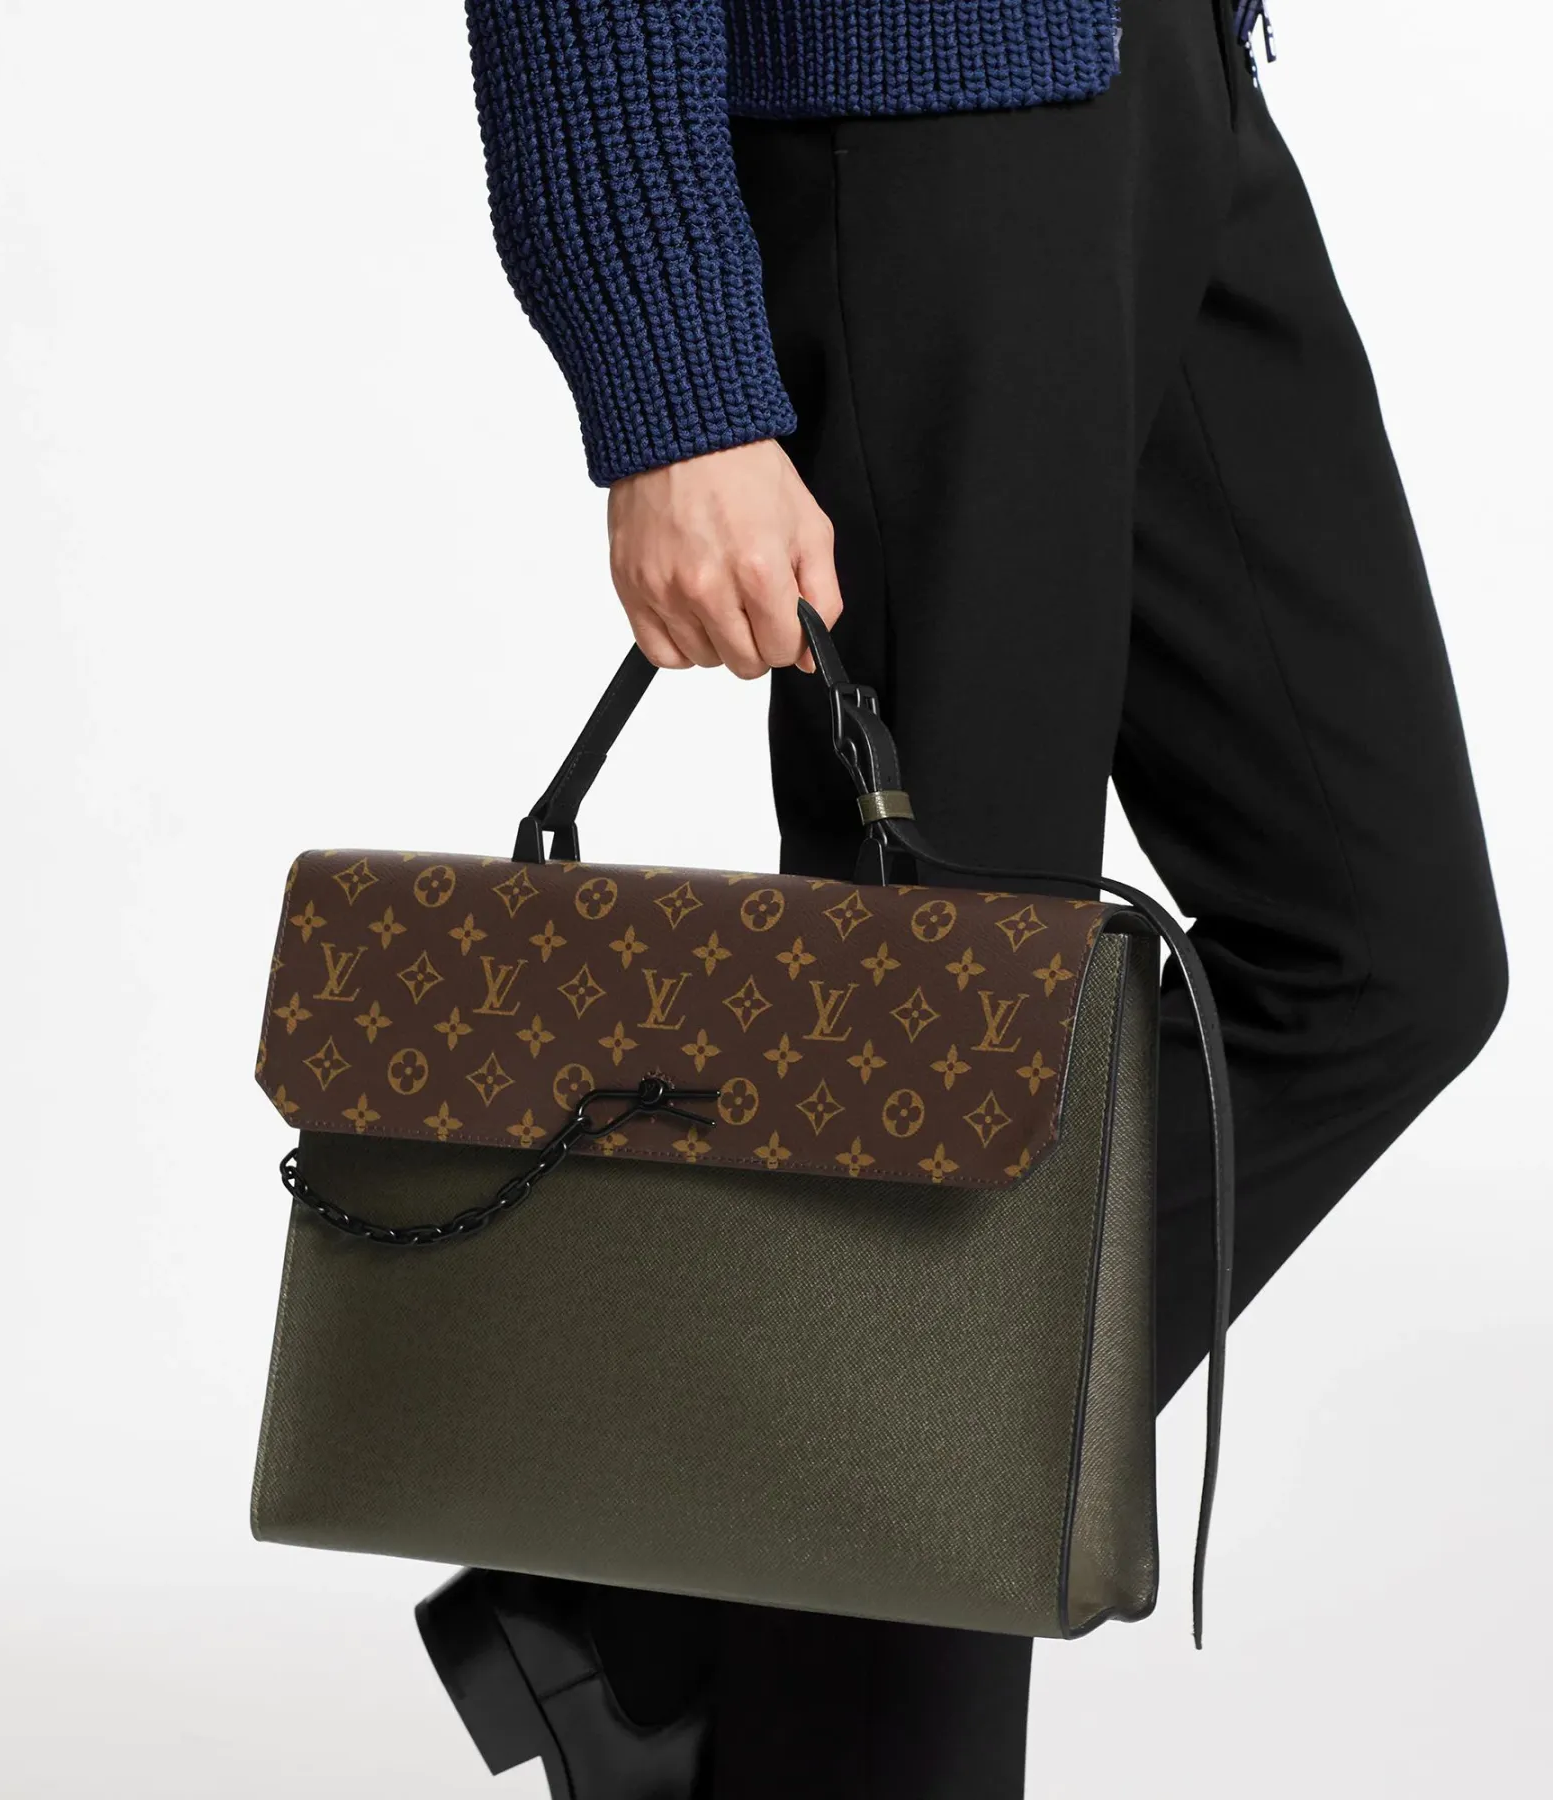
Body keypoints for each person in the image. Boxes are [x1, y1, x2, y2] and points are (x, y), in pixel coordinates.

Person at [414, 3, 1508, 1795]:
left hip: (1171, 89)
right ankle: (704, 1650)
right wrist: (670, 372)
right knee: (941, 1092)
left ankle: (660, 1611)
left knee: (1381, 960)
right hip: (915, 129)